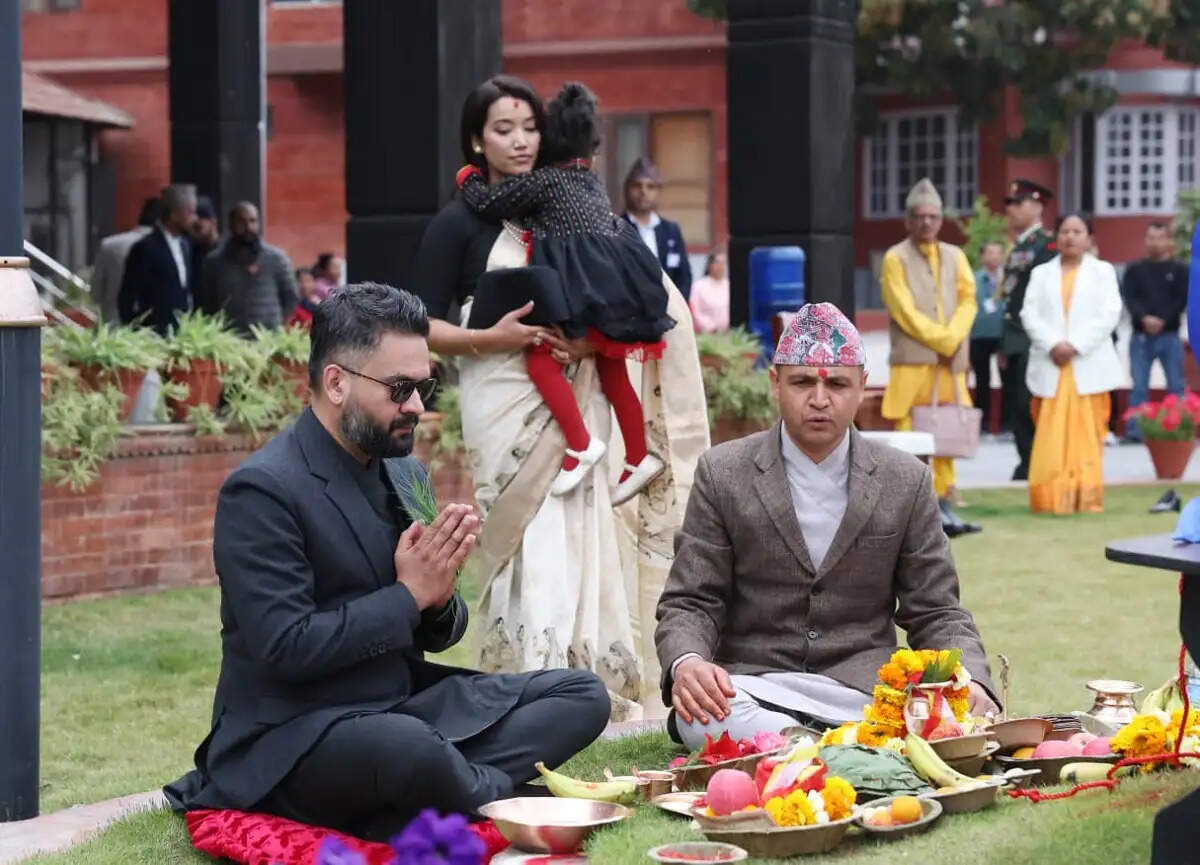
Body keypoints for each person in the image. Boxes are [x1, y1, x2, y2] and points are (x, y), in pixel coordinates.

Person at [163, 283, 611, 840]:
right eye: (400, 389)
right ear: (336, 383)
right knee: (404, 748)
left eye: (424, 386)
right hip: (297, 731)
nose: (417, 407)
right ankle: (493, 794)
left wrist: (439, 596)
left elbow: (439, 630)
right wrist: (407, 595)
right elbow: (284, 648)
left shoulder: (405, 473)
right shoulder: (262, 491)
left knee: (582, 694)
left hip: (402, 705)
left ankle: (441, 791)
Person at [411, 75, 709, 720]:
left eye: (528, 127)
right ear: (475, 139)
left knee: (580, 531)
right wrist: (488, 337)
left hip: (577, 400)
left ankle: (592, 685)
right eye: (502, 129)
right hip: (503, 401)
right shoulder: (461, 221)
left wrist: (592, 345)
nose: (519, 142)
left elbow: (629, 300)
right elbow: (419, 323)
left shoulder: (569, 204)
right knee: (529, 536)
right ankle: (529, 685)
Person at [655, 303, 998, 748]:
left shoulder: (904, 479)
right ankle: (840, 747)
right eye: (802, 382)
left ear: (861, 387)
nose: (820, 399)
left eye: (837, 383)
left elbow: (936, 609)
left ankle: (794, 748)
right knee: (702, 716)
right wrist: (687, 663)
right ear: (775, 384)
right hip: (756, 685)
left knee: (921, 709)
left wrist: (972, 681)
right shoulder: (723, 472)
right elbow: (691, 599)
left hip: (864, 690)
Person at [455, 81, 673, 501]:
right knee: (614, 373)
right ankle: (639, 453)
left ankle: (580, 444)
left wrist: (467, 177)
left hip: (579, 293)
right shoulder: (594, 184)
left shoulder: (544, 183)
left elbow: (489, 203)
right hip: (617, 291)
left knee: (540, 358)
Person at [878, 178, 981, 537]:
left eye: (933, 216)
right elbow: (902, 309)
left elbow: (969, 300)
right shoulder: (895, 258)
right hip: (913, 362)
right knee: (909, 432)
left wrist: (952, 338)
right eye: (919, 217)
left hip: (948, 364)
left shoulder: (956, 256)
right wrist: (944, 339)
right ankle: (914, 509)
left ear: (941, 220)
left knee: (947, 432)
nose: (926, 223)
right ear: (908, 221)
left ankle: (946, 506)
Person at [1021, 214, 1123, 514]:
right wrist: (1054, 344)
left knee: (1088, 437)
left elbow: (1109, 313)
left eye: (1078, 231)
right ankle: (1049, 499)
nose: (1070, 237)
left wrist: (1074, 346)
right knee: (1049, 438)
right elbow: (1029, 314)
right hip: (1051, 362)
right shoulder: (1041, 273)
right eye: (1065, 231)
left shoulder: (1102, 272)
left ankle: (1085, 497)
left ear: (1089, 238)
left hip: (1088, 364)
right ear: (1057, 236)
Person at [999, 179, 1056, 481]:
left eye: (1018, 203)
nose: (1012, 209)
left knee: (1027, 402)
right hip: (1013, 339)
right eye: (1011, 203)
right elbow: (1008, 297)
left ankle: (1036, 461)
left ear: (1037, 206)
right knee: (1015, 404)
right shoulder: (1019, 246)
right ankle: (1026, 461)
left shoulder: (1046, 246)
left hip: (1032, 338)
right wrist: (1002, 343)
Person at [1121, 222, 1188, 442]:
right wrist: (1144, 319)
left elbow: (1181, 299)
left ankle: (1177, 429)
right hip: (1140, 337)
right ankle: (1134, 432)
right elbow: (1130, 298)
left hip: (1169, 336)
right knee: (1139, 385)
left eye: (1160, 237)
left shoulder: (1180, 270)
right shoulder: (1134, 270)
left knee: (1175, 385)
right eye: (1150, 237)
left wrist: (1162, 320)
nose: (1155, 242)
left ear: (1168, 241)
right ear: (1145, 240)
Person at [202, 201, 299, 336]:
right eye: (241, 221)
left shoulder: (278, 259)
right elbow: (207, 304)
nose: (248, 227)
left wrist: (276, 324)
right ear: (230, 224)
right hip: (229, 341)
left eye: (253, 221)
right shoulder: (214, 262)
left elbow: (291, 298)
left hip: (270, 340)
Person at [118, 184, 197, 336]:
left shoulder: (185, 245)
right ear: (174, 215)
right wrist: (134, 331)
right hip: (152, 336)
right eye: (191, 212)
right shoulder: (145, 248)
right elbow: (127, 296)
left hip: (181, 335)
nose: (195, 219)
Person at [621, 157, 693, 301]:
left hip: (669, 312)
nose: (643, 191)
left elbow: (684, 276)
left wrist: (676, 308)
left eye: (650, 186)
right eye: (637, 185)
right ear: (627, 189)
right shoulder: (616, 228)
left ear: (658, 191)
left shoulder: (671, 230)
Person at [90, 197, 160, 323]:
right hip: (153, 327)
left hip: (112, 324)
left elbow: (96, 291)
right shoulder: (164, 250)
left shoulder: (109, 244)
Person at [970, 240, 1007, 436]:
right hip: (979, 336)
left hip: (1003, 337)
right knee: (982, 380)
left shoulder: (1008, 280)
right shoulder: (973, 279)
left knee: (1007, 381)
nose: (993, 257)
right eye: (989, 253)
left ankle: (1005, 424)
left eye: (997, 253)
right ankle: (982, 425)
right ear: (983, 256)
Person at [189, 195, 221, 314]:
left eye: (198, 227)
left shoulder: (226, 252)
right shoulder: (190, 252)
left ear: (213, 222)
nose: (194, 233)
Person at [690, 251, 730, 334]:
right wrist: (711, 327)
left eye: (723, 263)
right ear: (710, 265)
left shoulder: (729, 285)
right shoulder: (698, 286)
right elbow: (695, 310)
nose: (721, 267)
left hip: (729, 332)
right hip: (707, 334)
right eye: (718, 263)